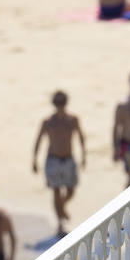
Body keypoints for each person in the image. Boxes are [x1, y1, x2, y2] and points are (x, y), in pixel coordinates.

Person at [31, 90, 86, 237]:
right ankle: (60, 223)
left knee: (71, 190)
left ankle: (61, 207)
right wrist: (34, 159)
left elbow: (81, 137)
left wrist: (84, 155)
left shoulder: (72, 120)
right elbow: (39, 140)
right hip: (53, 160)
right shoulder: (48, 122)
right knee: (56, 191)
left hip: (68, 158)